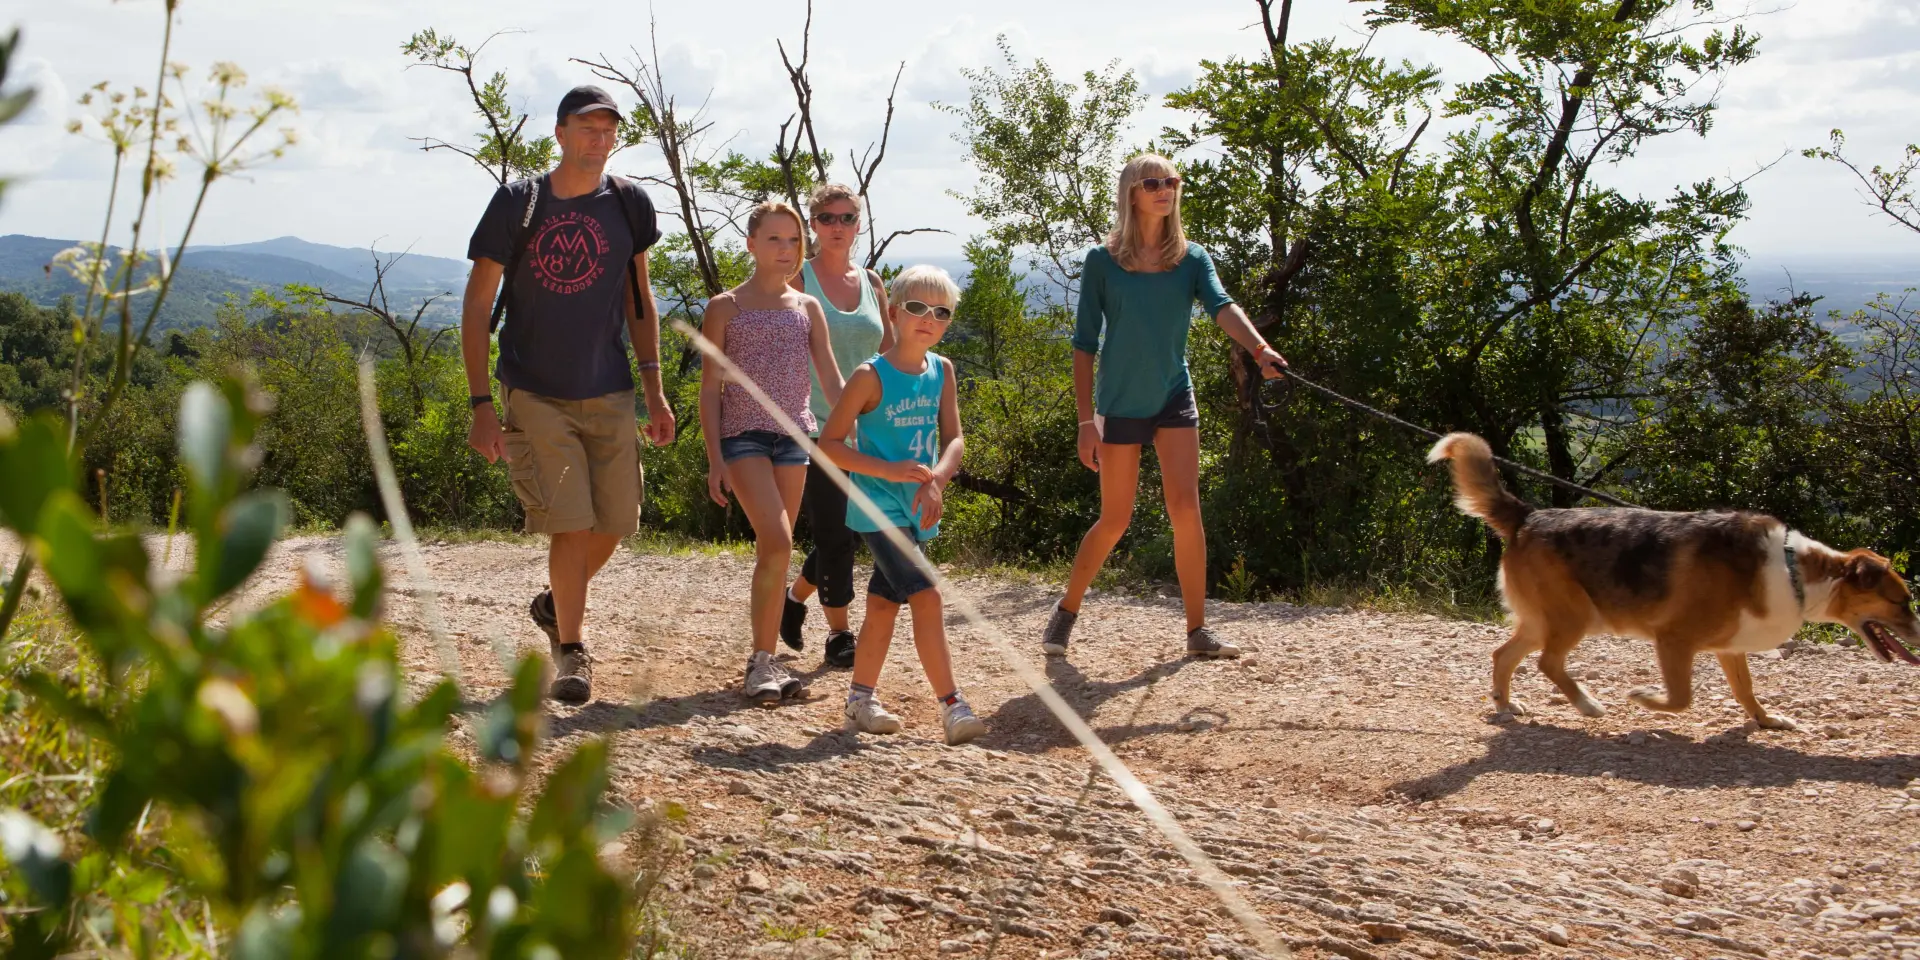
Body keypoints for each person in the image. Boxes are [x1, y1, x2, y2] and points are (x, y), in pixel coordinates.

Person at [463, 84, 672, 703]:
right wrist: (481, 405)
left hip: (609, 387)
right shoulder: (519, 202)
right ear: (559, 133)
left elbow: (641, 299)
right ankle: (572, 653)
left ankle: (557, 605)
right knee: (571, 526)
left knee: (615, 521)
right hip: (535, 388)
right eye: (586, 127)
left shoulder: (630, 204)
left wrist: (655, 390)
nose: (598, 138)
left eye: (608, 129)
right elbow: (477, 305)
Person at [1041, 154, 1287, 661]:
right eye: (1152, 183)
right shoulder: (1102, 260)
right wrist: (1086, 421)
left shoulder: (1191, 258)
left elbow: (1222, 306)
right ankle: (1067, 608)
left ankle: (1197, 631)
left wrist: (1260, 350)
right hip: (1120, 401)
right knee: (1115, 519)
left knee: (1186, 510)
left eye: (1171, 182)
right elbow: (1084, 343)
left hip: (1174, 393)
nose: (1164, 190)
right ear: (1132, 193)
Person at [817, 265, 986, 746]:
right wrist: (890, 472)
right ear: (893, 313)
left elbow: (954, 439)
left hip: (914, 507)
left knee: (883, 603)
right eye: (916, 307)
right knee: (927, 595)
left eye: (941, 312)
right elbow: (829, 445)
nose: (928, 318)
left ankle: (860, 699)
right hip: (876, 507)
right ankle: (952, 705)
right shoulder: (871, 375)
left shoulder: (942, 371)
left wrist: (937, 478)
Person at [700, 201, 844, 704]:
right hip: (743, 438)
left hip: (795, 438)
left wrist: (861, 416)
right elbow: (709, 390)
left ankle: (764, 659)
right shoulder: (724, 307)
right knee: (779, 541)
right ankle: (761, 663)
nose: (786, 250)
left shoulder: (807, 308)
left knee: (773, 551)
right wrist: (716, 457)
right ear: (751, 245)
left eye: (793, 240)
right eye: (774, 240)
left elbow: (829, 374)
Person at [781, 184, 893, 670]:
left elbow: (888, 354)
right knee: (833, 534)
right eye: (827, 218)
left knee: (854, 532)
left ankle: (794, 597)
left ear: (859, 223)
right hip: (814, 425)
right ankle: (840, 634)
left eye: (847, 218)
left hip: (866, 429)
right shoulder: (798, 281)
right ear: (813, 224)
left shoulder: (872, 281)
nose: (837, 226)